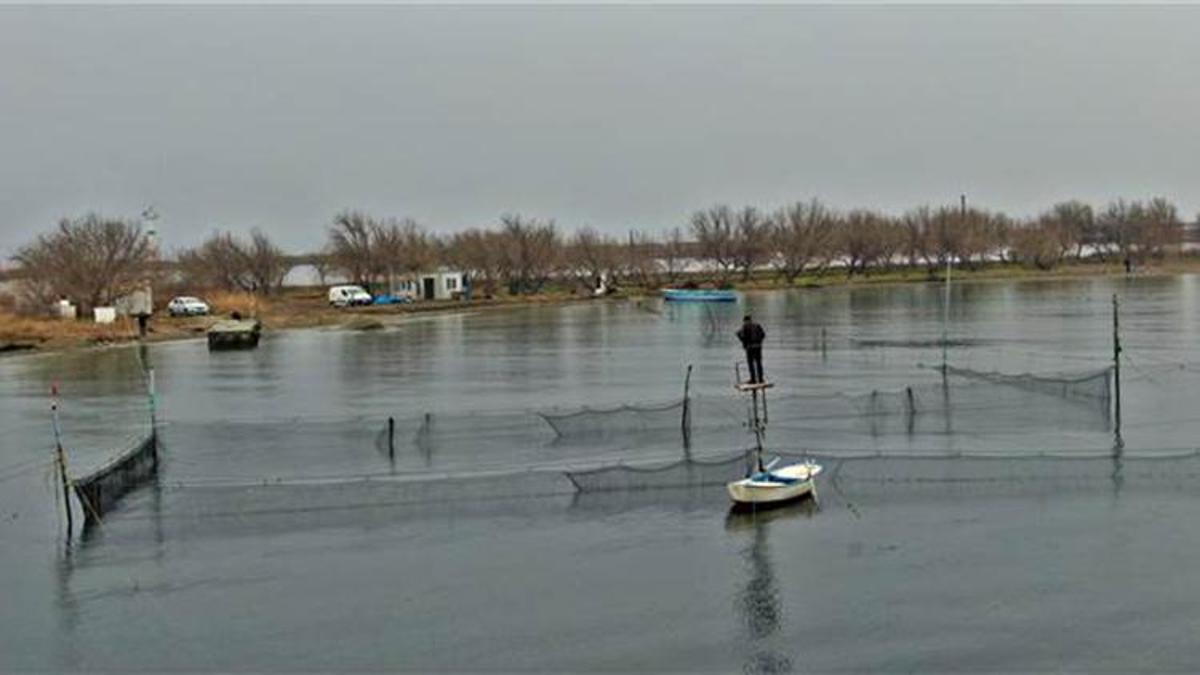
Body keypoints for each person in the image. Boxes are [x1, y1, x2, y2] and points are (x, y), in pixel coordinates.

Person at [736, 314, 766, 384]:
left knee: (751, 364)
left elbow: (743, 337)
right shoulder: (758, 325)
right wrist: (759, 342)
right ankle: (761, 379)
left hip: (750, 348)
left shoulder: (745, 327)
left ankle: (753, 380)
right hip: (758, 347)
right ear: (751, 320)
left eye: (745, 321)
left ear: (745, 321)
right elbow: (763, 335)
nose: (745, 323)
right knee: (759, 363)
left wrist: (738, 335)